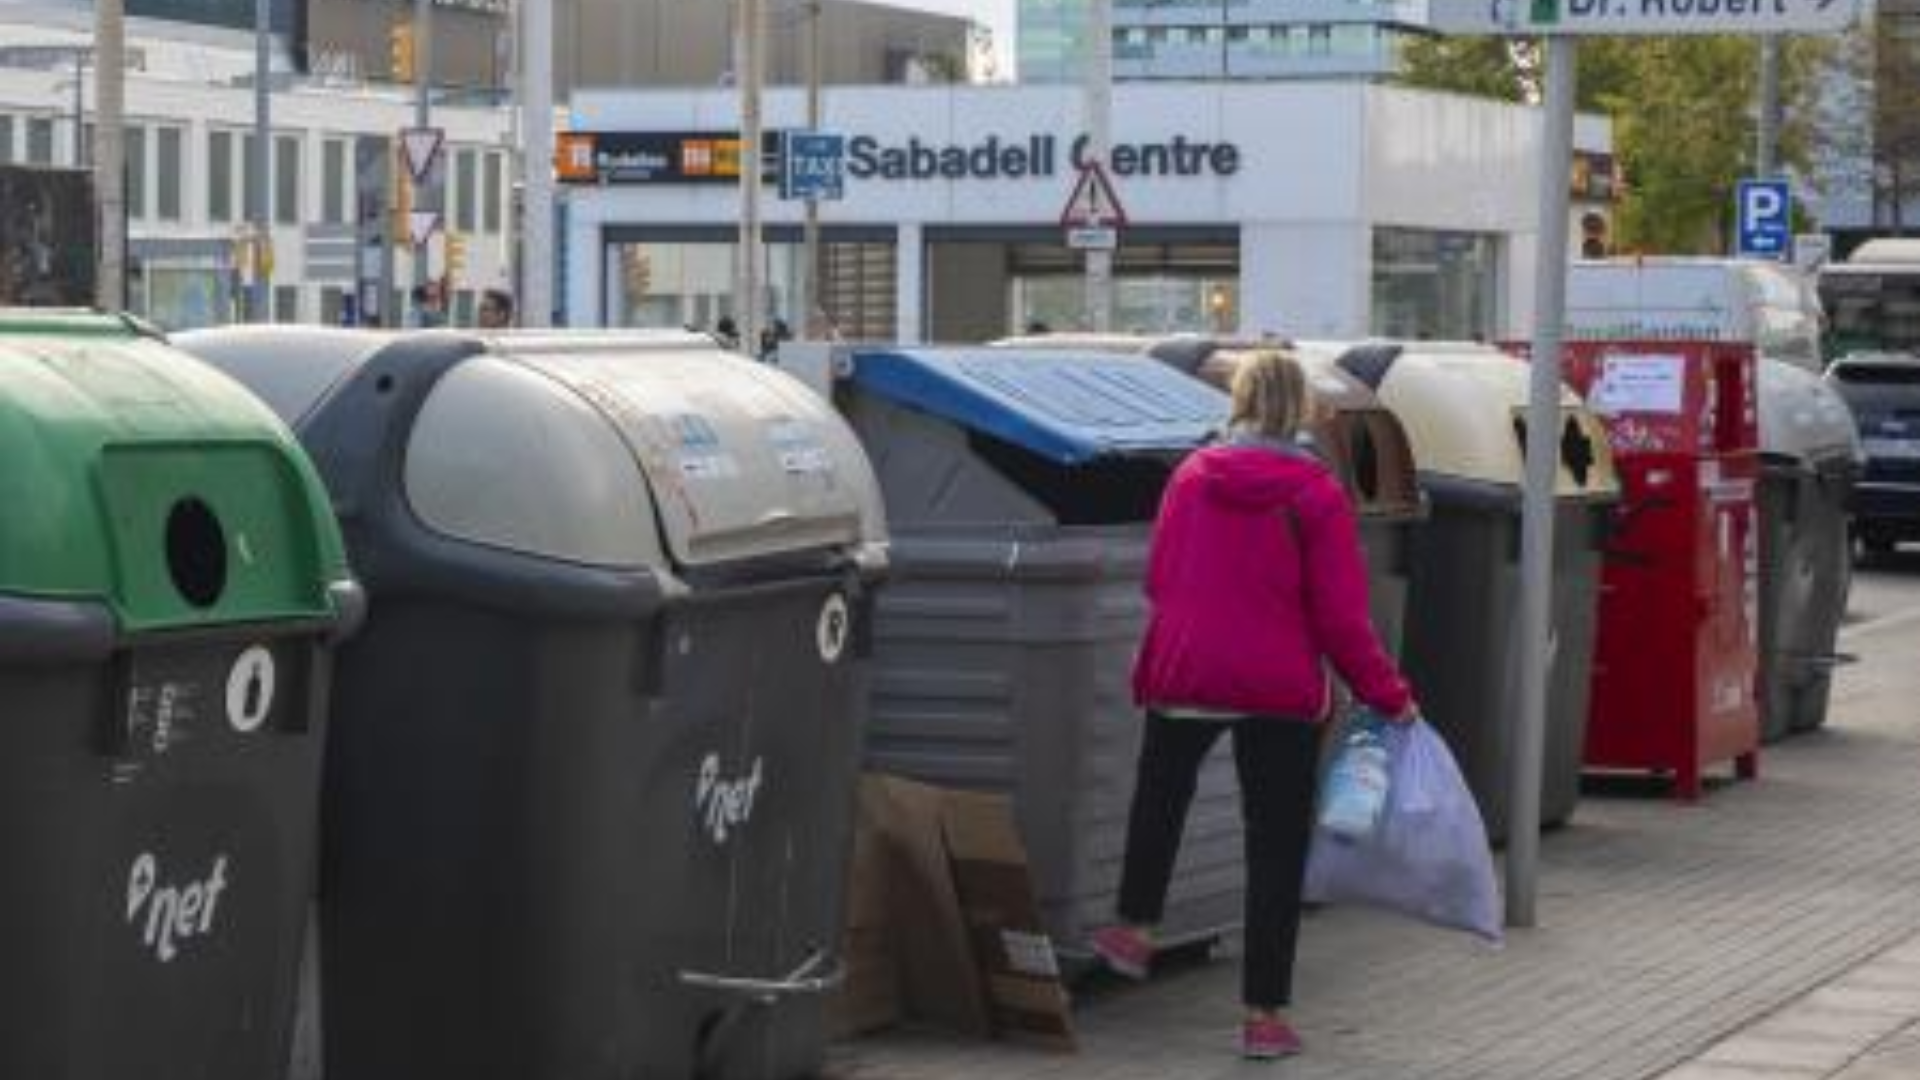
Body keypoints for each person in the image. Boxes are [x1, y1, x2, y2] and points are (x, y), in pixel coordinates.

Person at [1091, 349, 1418, 1062]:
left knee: (1161, 790)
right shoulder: (1317, 495)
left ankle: (1135, 925)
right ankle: (1263, 1017)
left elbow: (1159, 578)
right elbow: (1340, 619)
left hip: (1189, 670)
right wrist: (1389, 697)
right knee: (1273, 845)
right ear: (1303, 409)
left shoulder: (1189, 478)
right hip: (1278, 686)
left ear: (1237, 401)